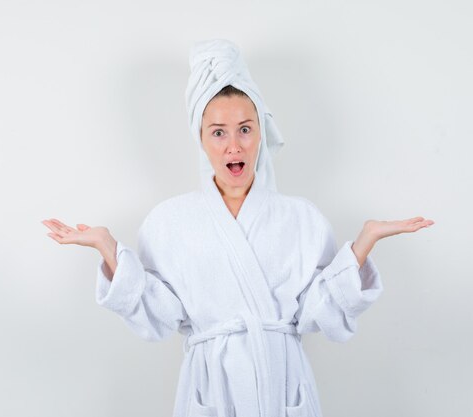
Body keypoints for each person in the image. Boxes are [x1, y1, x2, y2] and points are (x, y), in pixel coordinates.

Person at [42, 39, 434, 417]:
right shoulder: (168, 222)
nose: (234, 145)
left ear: (260, 133)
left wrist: (362, 243)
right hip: (210, 388)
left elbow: (319, 312)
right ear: (201, 138)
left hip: (283, 385)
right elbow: (159, 317)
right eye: (218, 132)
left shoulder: (302, 218)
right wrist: (110, 249)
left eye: (245, 129)